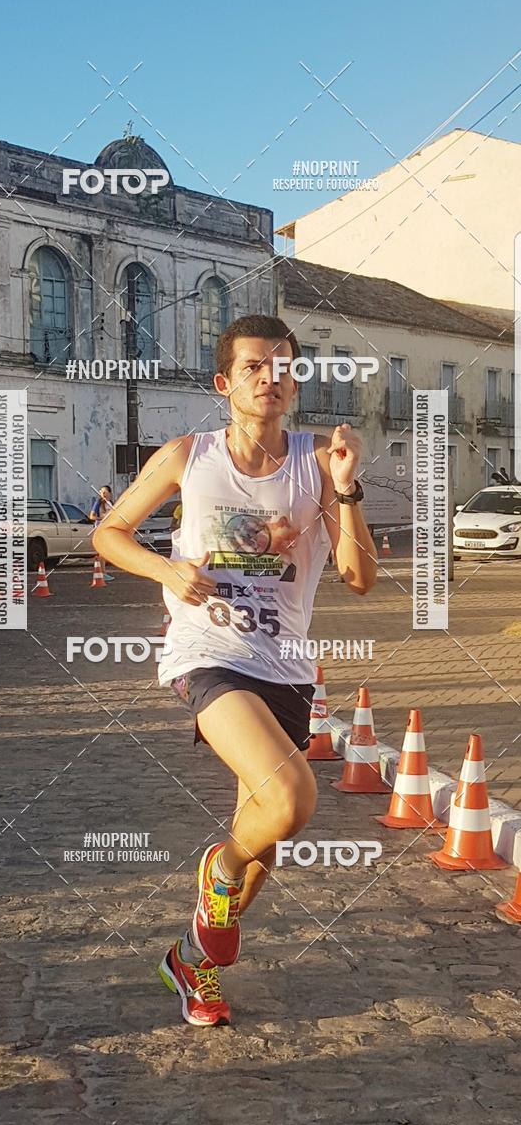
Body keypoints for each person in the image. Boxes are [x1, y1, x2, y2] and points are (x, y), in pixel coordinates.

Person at [94, 315, 377, 1027]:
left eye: (282, 366)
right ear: (225, 383)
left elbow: (359, 576)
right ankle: (213, 873)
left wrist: (346, 487)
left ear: (296, 378)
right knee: (292, 797)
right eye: (253, 366)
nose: (269, 377)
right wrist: (168, 568)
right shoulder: (189, 455)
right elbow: (108, 532)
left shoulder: (319, 459)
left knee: (265, 842)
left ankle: (192, 960)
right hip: (208, 654)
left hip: (287, 667)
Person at [89, 485, 116, 580]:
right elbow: (91, 516)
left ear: (110, 493)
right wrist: (102, 518)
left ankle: (103, 572)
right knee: (102, 552)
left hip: (109, 529)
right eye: (101, 492)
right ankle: (102, 572)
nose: (103, 494)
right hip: (100, 529)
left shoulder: (111, 503)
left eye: (105, 492)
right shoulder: (98, 503)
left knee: (105, 552)